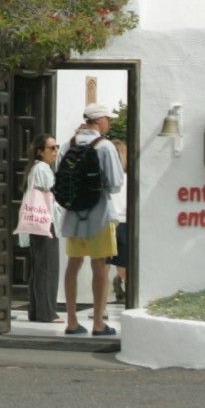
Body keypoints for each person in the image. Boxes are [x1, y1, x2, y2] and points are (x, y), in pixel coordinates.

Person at [56, 104, 126, 336]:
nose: (110, 122)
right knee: (100, 268)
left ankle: (72, 322)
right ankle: (98, 322)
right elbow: (116, 184)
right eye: (108, 118)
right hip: (100, 215)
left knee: (72, 265)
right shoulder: (105, 146)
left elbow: (60, 179)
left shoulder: (68, 145)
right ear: (99, 120)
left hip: (74, 215)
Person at [14, 134, 62, 323]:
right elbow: (51, 189)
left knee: (39, 268)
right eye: (51, 148)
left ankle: (36, 311)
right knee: (48, 268)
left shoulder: (35, 168)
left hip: (38, 223)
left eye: (56, 147)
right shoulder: (42, 168)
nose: (55, 151)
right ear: (40, 151)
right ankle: (47, 312)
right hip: (45, 223)